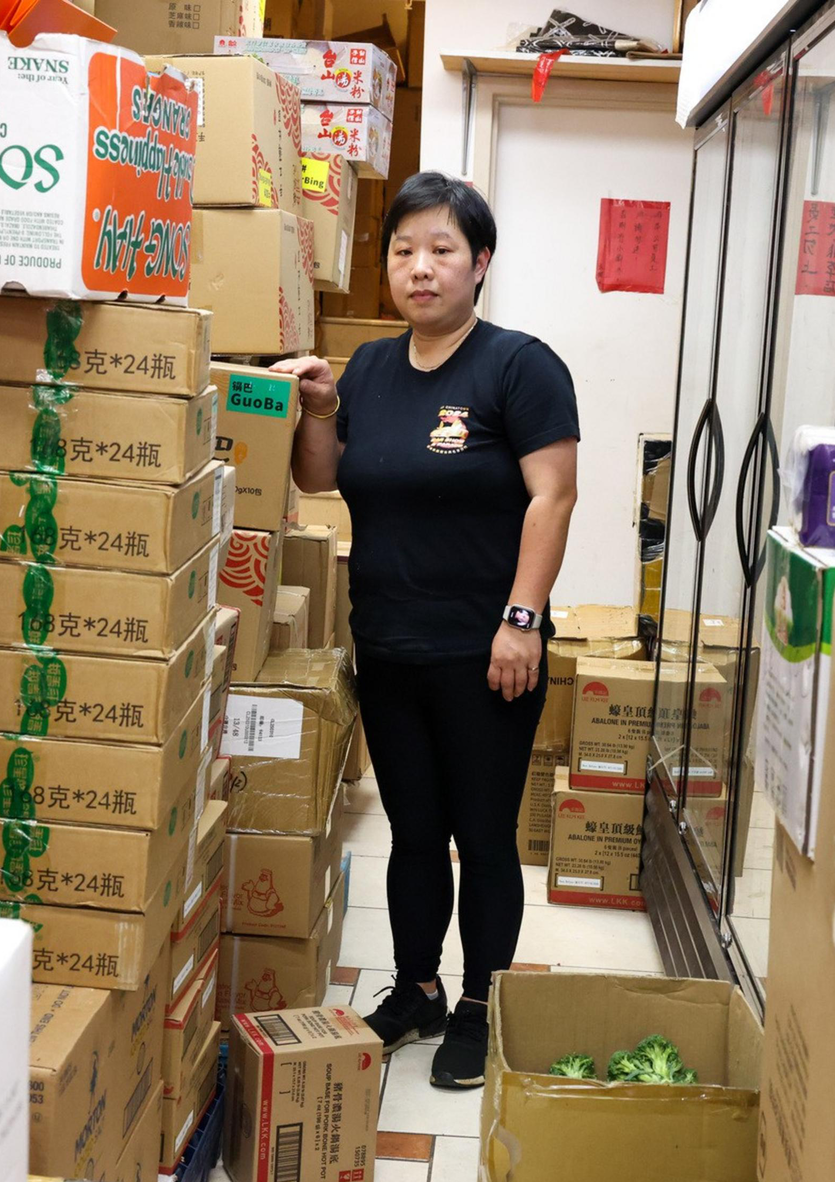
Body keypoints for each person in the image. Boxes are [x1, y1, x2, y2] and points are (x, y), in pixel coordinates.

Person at [273, 172, 580, 1090]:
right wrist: (320, 405)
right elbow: (322, 479)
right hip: (392, 643)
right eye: (404, 249)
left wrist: (521, 619)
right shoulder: (369, 366)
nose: (421, 267)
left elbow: (553, 496)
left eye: (443, 249)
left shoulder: (520, 366)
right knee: (412, 832)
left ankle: (483, 1007)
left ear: (479, 264)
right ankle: (417, 989)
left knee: (482, 834)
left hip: (490, 652)